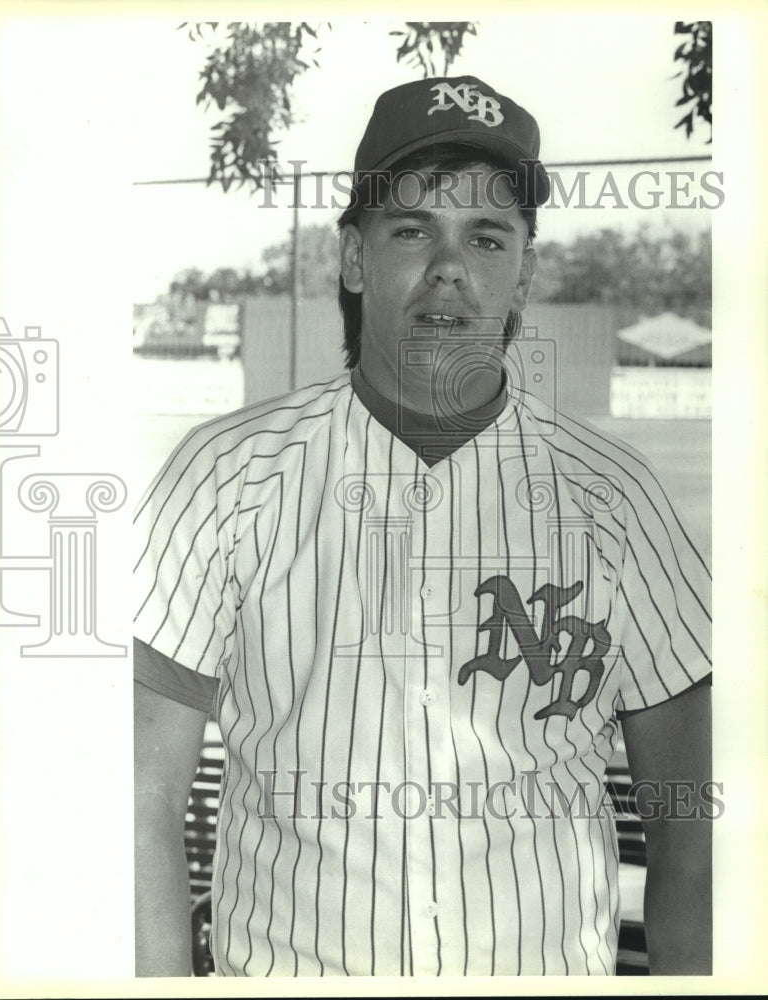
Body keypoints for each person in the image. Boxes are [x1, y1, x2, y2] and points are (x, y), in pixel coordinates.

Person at [133, 75, 712, 977]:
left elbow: (691, 824)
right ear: (357, 260)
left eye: (487, 237)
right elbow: (138, 796)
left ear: (523, 273)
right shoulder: (224, 480)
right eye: (413, 230)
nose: (450, 267)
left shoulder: (617, 502)